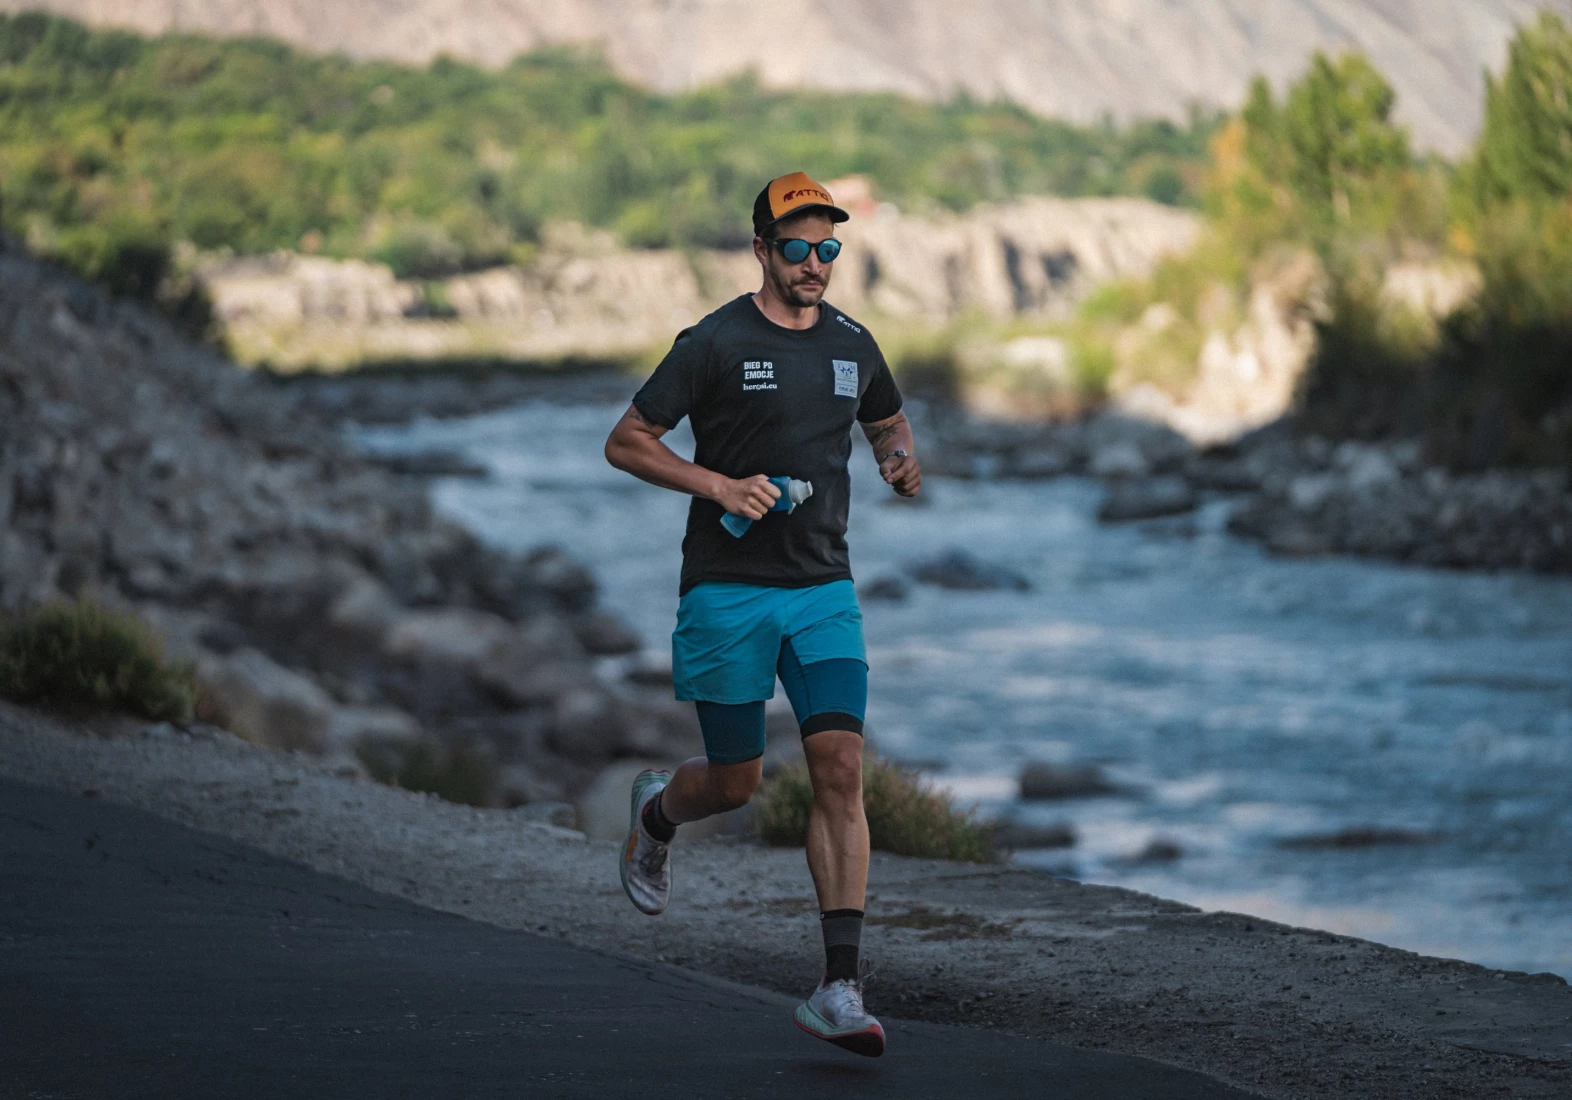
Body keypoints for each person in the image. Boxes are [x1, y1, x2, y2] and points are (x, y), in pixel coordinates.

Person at [603, 171, 920, 1057]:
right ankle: (658, 814)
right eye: (798, 247)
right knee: (735, 784)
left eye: (828, 247)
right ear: (761, 250)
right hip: (728, 589)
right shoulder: (712, 342)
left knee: (840, 769)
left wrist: (899, 458)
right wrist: (717, 485)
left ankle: (839, 988)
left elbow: (888, 421)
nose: (815, 263)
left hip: (823, 588)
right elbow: (626, 440)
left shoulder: (854, 343)